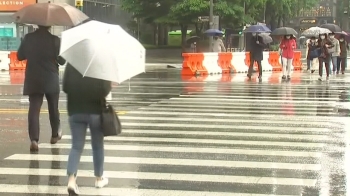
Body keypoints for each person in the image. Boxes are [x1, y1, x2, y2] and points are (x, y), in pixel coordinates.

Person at [63, 63, 111, 194]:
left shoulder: (73, 62)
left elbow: (65, 87)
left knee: (76, 147)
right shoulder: (100, 63)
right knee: (97, 146)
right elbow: (105, 90)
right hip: (95, 111)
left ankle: (71, 181)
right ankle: (99, 178)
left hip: (75, 110)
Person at [17, 25, 64, 152]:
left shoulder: (28, 38)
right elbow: (62, 61)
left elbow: (20, 56)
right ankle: (54, 134)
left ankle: (34, 140)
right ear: (49, 26)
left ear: (37, 24)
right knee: (53, 108)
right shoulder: (55, 40)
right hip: (51, 78)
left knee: (34, 109)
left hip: (34, 78)